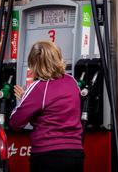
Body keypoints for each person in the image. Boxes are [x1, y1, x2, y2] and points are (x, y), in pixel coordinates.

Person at [9, 40, 84, 172]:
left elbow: (15, 123)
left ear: (35, 64)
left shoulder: (39, 88)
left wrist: (24, 100)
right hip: (75, 153)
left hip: (48, 155)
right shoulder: (71, 82)